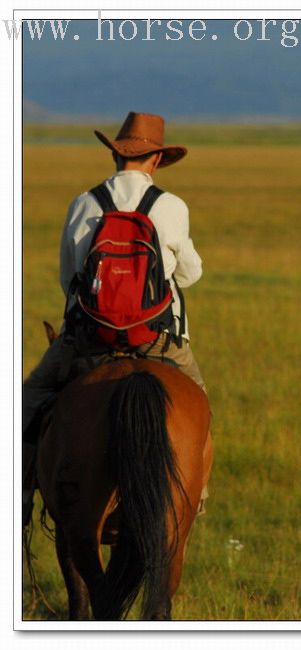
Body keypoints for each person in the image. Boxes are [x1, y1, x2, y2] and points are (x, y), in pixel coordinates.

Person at [23, 112, 210, 525]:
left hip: (90, 338)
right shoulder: (171, 206)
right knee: (198, 400)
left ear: (114, 154)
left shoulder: (84, 203)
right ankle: (197, 492)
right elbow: (191, 274)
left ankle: (19, 492)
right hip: (157, 339)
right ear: (157, 160)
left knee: (30, 398)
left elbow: (67, 277)